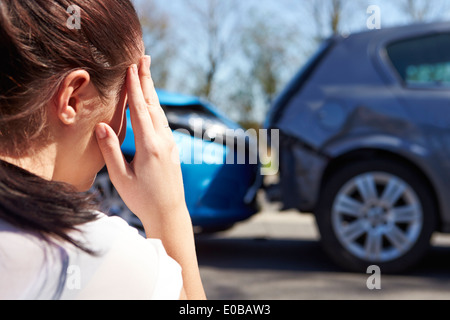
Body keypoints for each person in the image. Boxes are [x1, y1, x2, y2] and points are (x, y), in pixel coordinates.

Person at [0, 0, 206, 300]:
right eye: (127, 103)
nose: (127, 129)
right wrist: (168, 212)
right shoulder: (95, 255)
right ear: (73, 99)